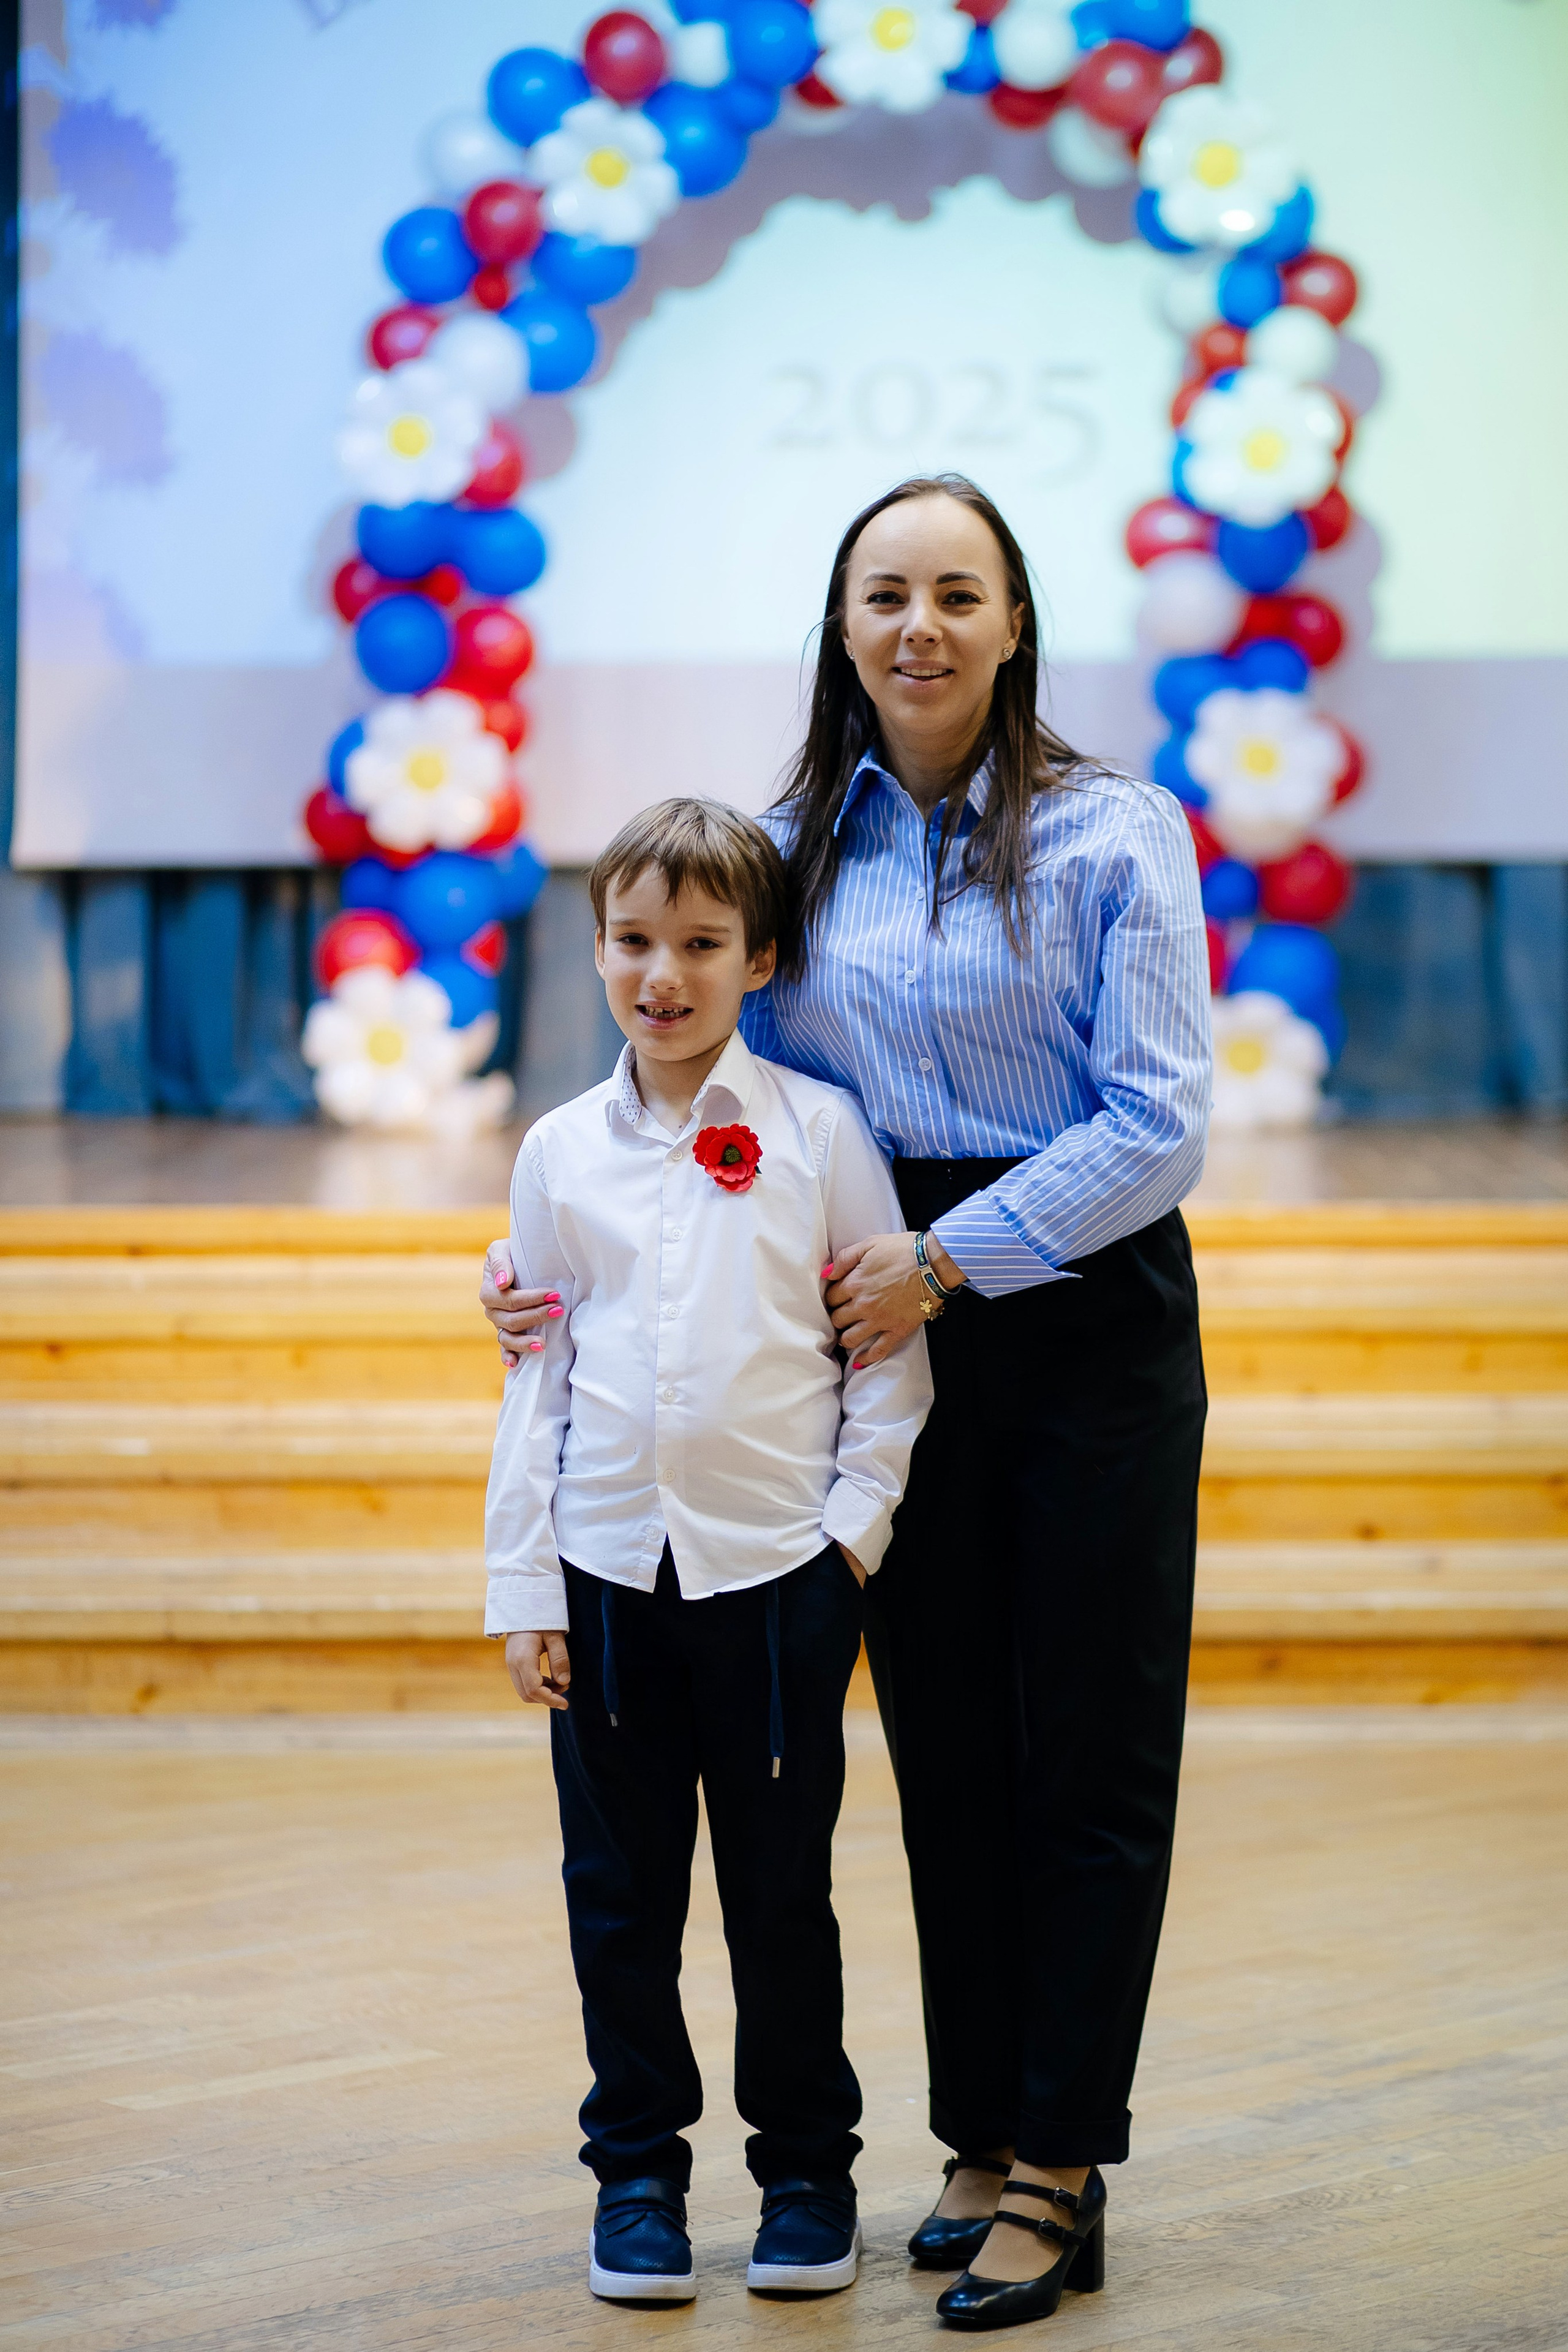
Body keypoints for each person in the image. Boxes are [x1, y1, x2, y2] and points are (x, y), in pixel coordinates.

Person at [484, 474, 1211, 2332]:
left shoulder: (1120, 833)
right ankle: (976, 2137)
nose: (921, 626)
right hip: (871, 1313)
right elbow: (725, 1101)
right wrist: (560, 1272)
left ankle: (1065, 2155)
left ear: (1017, 619)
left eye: (959, 593)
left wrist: (956, 1261)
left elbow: (1159, 1120)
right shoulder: (792, 843)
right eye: (886, 592)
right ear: (842, 620)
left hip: (1069, 1307)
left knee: (1092, 1752)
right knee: (948, 1750)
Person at [485, 796, 932, 2307]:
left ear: (760, 959)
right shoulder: (557, 1152)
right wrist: (524, 1587)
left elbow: (884, 1361)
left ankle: (807, 2175)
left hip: (771, 1584)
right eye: (631, 941)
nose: (661, 974)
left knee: (777, 1897)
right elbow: (535, 1371)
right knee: (617, 1902)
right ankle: (637, 2186)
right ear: (594, 948)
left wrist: (846, 1546)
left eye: (698, 943)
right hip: (609, 1579)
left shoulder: (818, 1133)